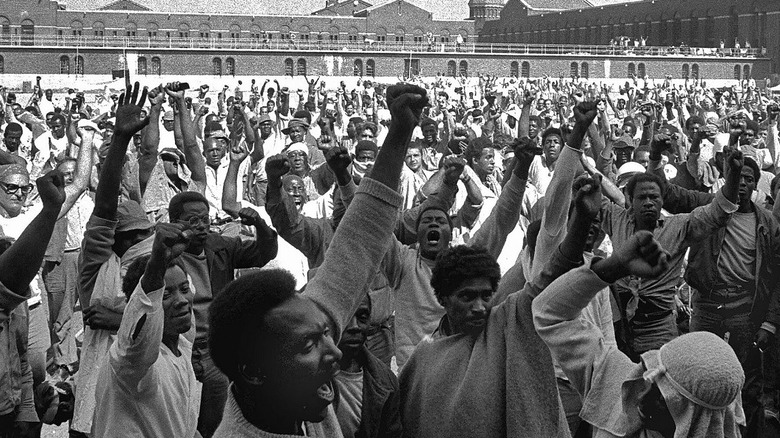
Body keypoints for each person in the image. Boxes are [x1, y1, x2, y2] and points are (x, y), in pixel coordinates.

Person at [207, 84, 426, 437]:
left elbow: (361, 238)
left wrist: (400, 131)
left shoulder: (297, 376)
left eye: (327, 334)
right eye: (311, 345)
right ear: (254, 371)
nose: (337, 353)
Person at [167, 189, 278, 438]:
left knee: (216, 420)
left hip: (213, 349)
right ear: (175, 222)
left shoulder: (219, 246)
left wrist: (259, 224)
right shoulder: (165, 253)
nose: (201, 226)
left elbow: (264, 253)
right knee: (180, 420)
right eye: (193, 220)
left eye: (205, 219)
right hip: (181, 348)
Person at [92, 222, 199, 438]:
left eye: (184, 289)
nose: (181, 301)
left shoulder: (182, 349)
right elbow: (144, 310)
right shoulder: (132, 359)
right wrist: (157, 261)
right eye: (166, 294)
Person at [0, 170, 67, 438]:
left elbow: (22, 363)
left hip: (9, 407)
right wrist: (50, 210)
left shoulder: (19, 309)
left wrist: (28, 412)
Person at [333, 294, 402, 438]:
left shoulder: (386, 383)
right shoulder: (302, 376)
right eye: (345, 316)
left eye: (362, 317)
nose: (354, 327)